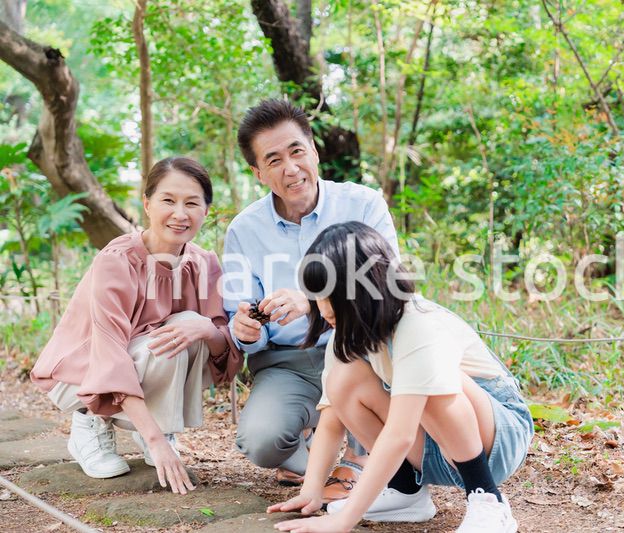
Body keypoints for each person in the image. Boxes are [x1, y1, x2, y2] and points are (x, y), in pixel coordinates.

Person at [269, 221, 534, 533]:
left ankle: (487, 499)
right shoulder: (345, 332)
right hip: (434, 449)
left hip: (498, 440)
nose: (321, 307)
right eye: (315, 295)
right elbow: (331, 419)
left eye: (328, 295)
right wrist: (311, 492)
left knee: (431, 380)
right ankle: (405, 490)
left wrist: (343, 520)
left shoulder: (417, 322)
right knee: (342, 380)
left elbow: (400, 434)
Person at [31, 157, 242, 494]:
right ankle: (90, 422)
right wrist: (156, 441)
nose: (180, 213)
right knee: (165, 340)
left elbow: (223, 351)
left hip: (143, 362)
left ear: (206, 210)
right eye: (168, 200)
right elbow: (109, 354)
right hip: (84, 374)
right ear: (147, 204)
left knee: (192, 326)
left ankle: (153, 425)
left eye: (192, 203)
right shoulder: (117, 260)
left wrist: (206, 329)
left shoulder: (204, 263)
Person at [223, 99, 399, 501]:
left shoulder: (363, 204)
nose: (291, 168)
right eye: (274, 160)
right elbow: (242, 317)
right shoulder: (244, 230)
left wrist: (313, 298)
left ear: (314, 151)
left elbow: (388, 287)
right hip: (290, 361)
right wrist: (245, 329)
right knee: (261, 441)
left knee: (368, 364)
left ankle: (358, 456)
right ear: (258, 173)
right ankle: (311, 436)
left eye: (297, 151)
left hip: (360, 349)